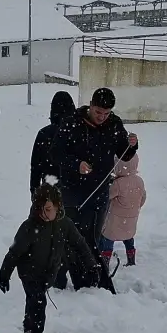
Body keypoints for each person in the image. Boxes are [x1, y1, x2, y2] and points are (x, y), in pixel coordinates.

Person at [52, 87, 138, 288]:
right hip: (72, 190)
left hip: (99, 191)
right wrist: (76, 165)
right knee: (72, 237)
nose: (102, 117)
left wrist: (132, 145)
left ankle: (90, 281)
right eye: (98, 112)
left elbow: (124, 154)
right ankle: (62, 278)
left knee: (92, 238)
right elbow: (56, 153)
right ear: (90, 105)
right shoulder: (72, 122)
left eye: (106, 113)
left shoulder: (114, 124)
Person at [0, 183, 97, 333]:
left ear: (58, 205)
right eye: (40, 209)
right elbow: (14, 253)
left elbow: (80, 244)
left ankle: (28, 330)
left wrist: (91, 265)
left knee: (33, 300)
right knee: (38, 301)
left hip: (48, 273)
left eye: (48, 209)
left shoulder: (64, 224)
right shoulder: (29, 227)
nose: (44, 214)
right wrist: (4, 275)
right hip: (29, 272)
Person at [99, 153, 146, 268]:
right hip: (131, 218)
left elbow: (107, 197)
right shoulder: (139, 180)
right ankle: (131, 259)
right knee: (129, 238)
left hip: (115, 220)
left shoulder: (118, 184)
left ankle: (105, 261)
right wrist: (135, 207)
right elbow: (143, 197)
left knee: (107, 238)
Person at [30, 91, 77, 195]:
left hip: (49, 189)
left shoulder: (44, 134)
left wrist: (34, 191)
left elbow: (36, 167)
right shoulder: (78, 131)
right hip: (75, 190)